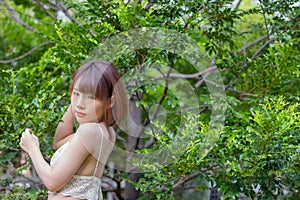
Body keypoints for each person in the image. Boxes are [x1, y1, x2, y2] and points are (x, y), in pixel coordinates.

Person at [20, 60, 128, 200]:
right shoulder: (105, 131)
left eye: (91, 97)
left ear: (110, 101)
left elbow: (52, 182)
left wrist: (32, 148)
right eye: (76, 93)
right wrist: (75, 105)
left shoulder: (89, 131)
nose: (81, 104)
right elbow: (59, 142)